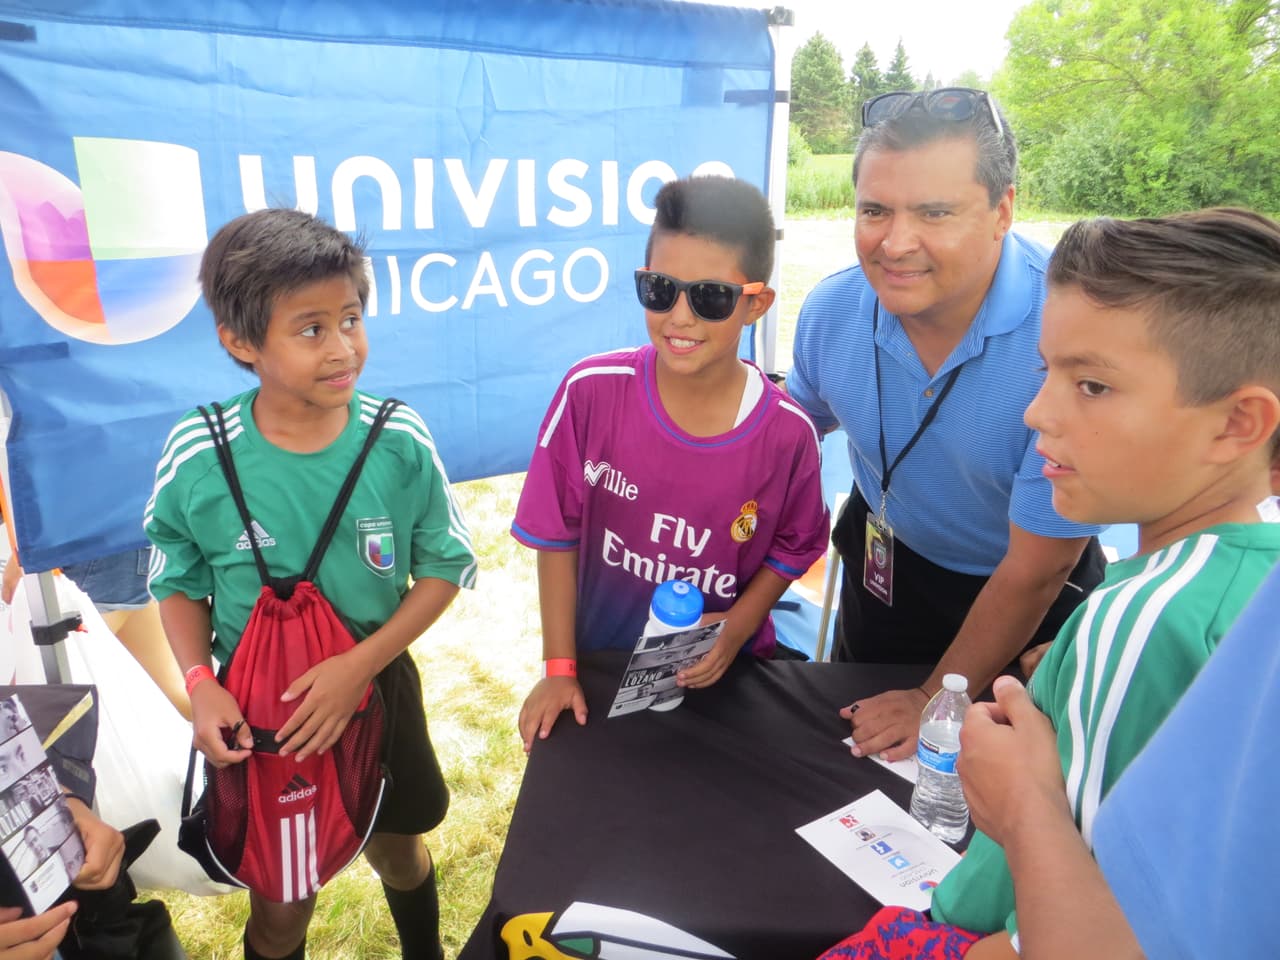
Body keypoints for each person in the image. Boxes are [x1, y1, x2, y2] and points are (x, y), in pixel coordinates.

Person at [817, 208, 1280, 959]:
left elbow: (1093, 937)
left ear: (1237, 425)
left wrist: (1020, 802)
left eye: (1092, 385)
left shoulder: (1135, 621)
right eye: (1047, 372)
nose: (1037, 413)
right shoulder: (1247, 581)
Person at [144, 208, 477, 960]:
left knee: (400, 850)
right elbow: (175, 576)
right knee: (283, 904)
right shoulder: (202, 453)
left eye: (351, 319)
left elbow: (445, 566)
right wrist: (201, 683)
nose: (343, 348)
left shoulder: (397, 438)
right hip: (263, 713)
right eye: (310, 328)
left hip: (379, 692)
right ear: (240, 342)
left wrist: (361, 665)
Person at [787, 88, 1105, 762]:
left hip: (1025, 600)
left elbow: (1035, 570)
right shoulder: (831, 311)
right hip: (885, 568)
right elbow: (788, 432)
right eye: (875, 210)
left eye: (935, 212)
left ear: (1002, 211)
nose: (896, 244)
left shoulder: (1070, 334)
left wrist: (936, 697)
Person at [512, 175, 829, 752]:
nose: (679, 317)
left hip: (726, 675)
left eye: (709, 297)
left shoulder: (788, 435)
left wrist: (735, 629)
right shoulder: (590, 393)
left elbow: (793, 547)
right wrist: (559, 668)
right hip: (600, 669)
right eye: (660, 289)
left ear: (755, 303)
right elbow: (555, 535)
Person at [0, 795, 126, 960]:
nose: (35, 846)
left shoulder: (64, 850)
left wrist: (71, 802)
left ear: (40, 836)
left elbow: (76, 770)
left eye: (35, 840)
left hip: (90, 926)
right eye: (31, 844)